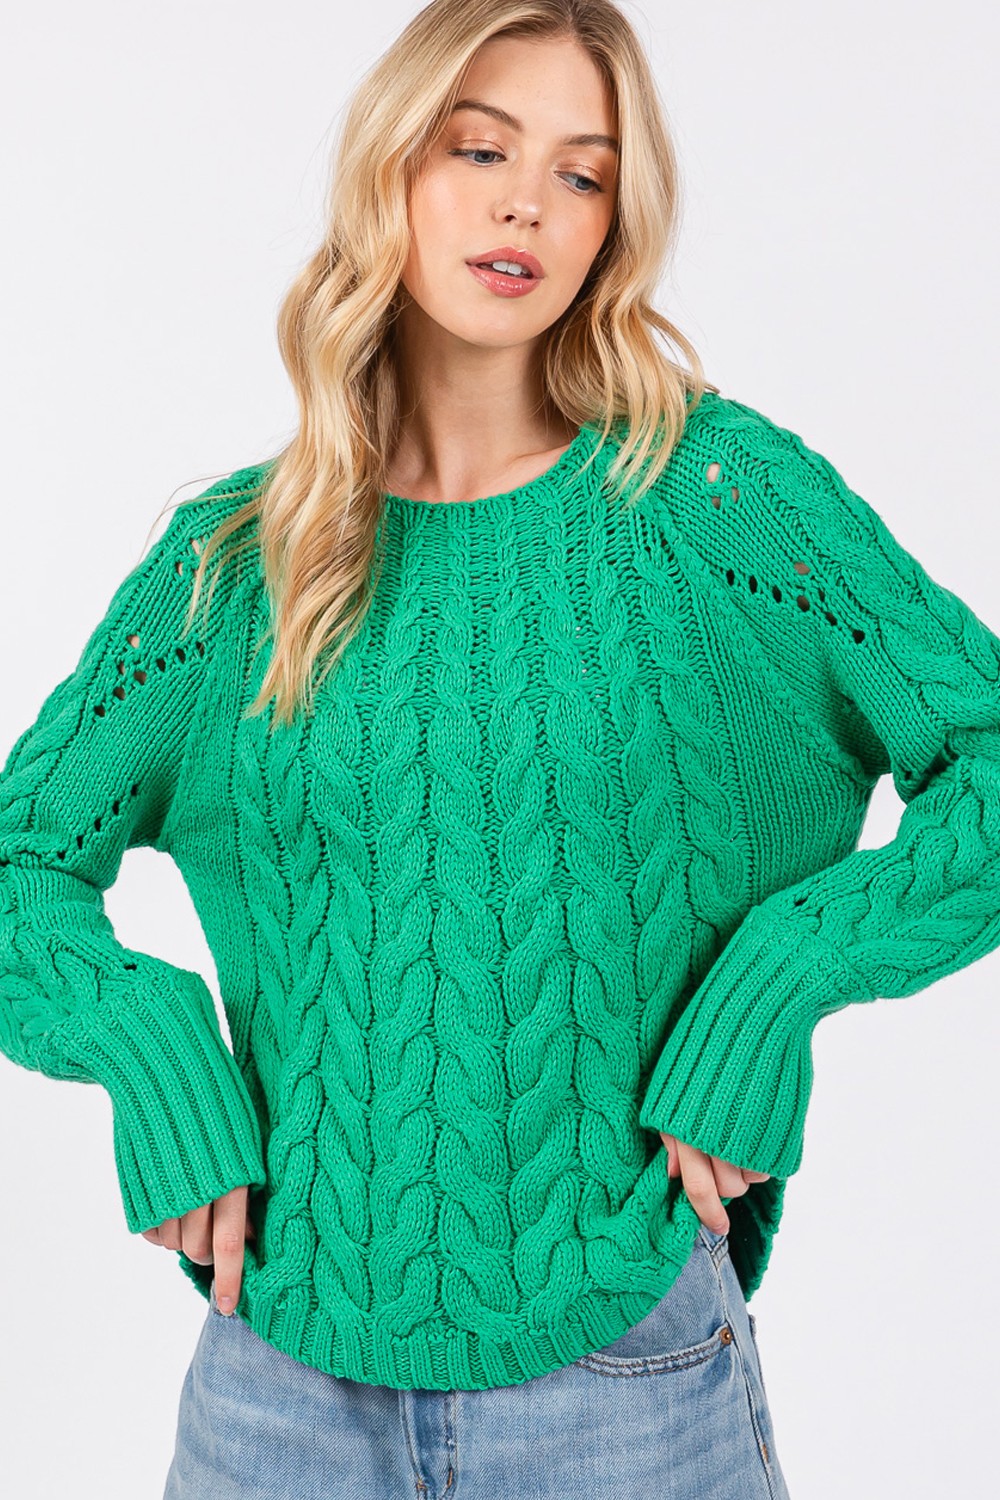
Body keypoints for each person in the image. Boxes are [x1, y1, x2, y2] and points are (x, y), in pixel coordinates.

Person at [2, 2, 998, 1496]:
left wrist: (786, 974)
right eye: (479, 149)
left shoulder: (715, 502)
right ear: (389, 168)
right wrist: (146, 1046)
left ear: (614, 223)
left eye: (582, 173)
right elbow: (18, 860)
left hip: (625, 1363)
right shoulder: (232, 569)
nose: (528, 201)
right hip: (278, 1380)